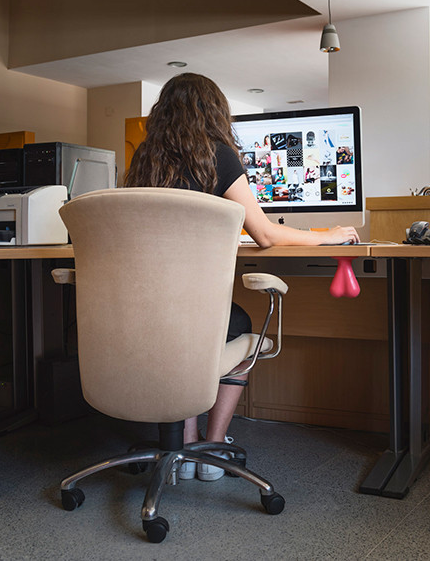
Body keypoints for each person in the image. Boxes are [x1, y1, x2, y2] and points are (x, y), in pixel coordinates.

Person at [124, 73, 360, 480]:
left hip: (141, 311)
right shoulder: (216, 154)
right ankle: (209, 449)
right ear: (215, 112)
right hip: (193, 311)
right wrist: (328, 235)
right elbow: (265, 234)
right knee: (235, 325)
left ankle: (184, 447)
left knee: (186, 335)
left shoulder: (144, 159)